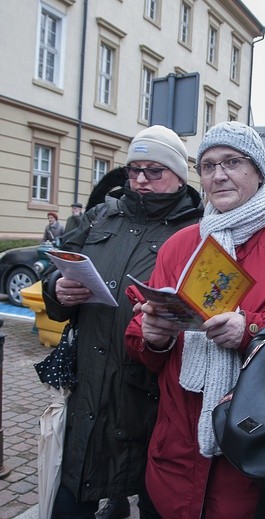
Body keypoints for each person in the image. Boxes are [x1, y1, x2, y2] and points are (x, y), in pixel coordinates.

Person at [124, 121, 265, 519]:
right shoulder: (180, 245)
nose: (218, 175)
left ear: (258, 171)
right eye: (207, 165)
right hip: (174, 460)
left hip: (255, 463)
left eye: (232, 162)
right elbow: (141, 345)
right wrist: (153, 337)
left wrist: (251, 330)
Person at [41, 125, 204, 519]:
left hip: (148, 386)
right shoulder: (100, 216)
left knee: (149, 489)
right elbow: (58, 271)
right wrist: (57, 289)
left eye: (154, 171)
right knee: (74, 490)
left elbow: (203, 312)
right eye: (135, 170)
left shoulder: (196, 231)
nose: (141, 180)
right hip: (89, 382)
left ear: (180, 176)